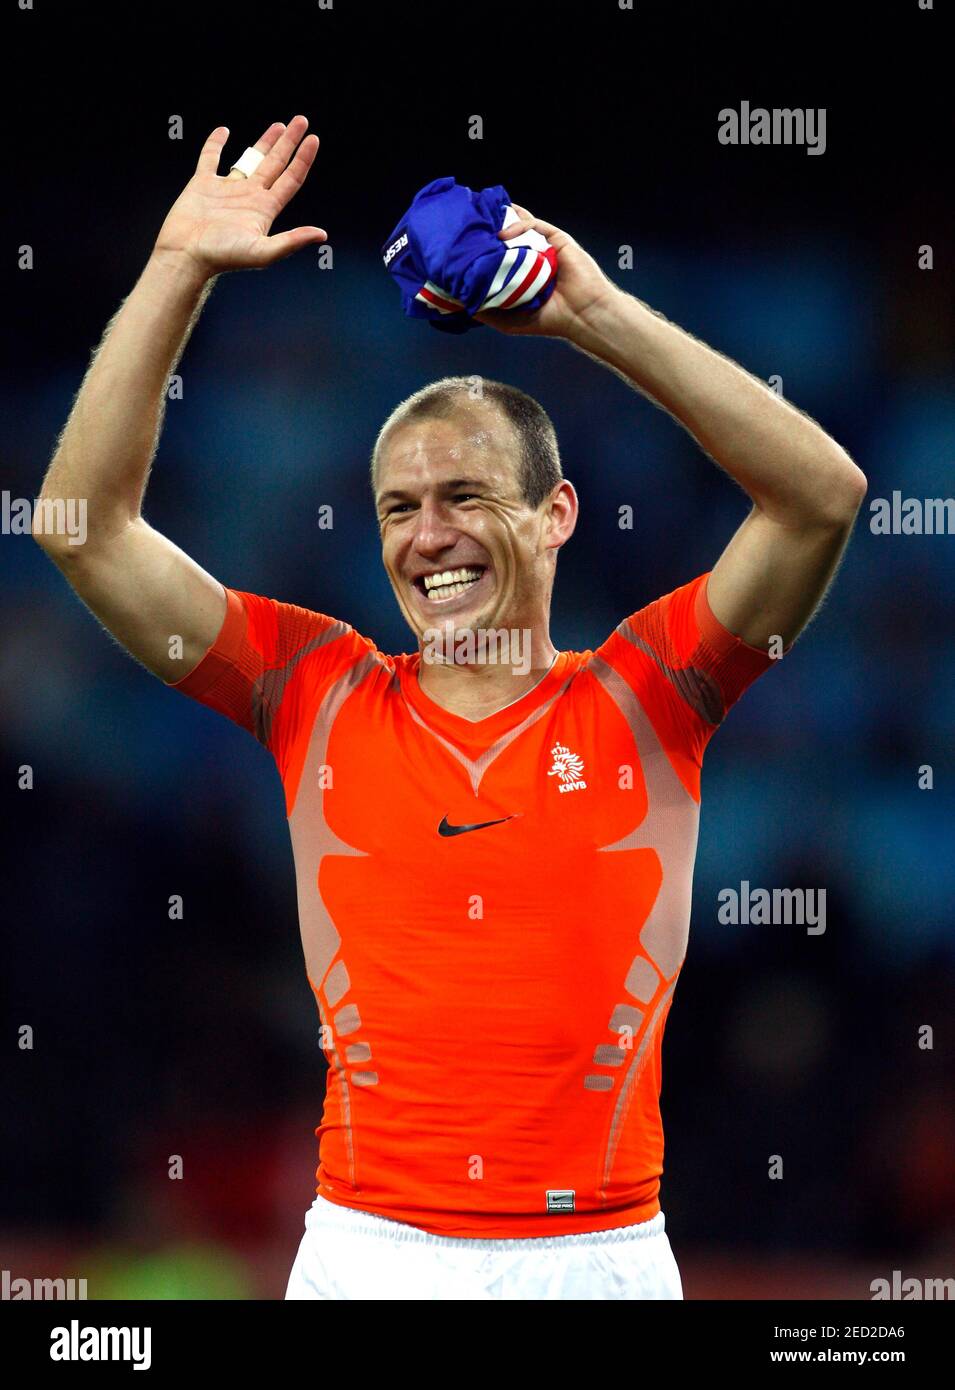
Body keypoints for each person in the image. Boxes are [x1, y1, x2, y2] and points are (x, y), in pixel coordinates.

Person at [34, 116, 866, 1300]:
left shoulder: (647, 691)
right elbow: (83, 529)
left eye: (467, 494)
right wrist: (177, 269)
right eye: (397, 507)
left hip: (602, 1257)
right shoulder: (312, 688)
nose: (428, 537)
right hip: (372, 1255)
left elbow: (820, 499)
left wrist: (586, 314)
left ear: (558, 514)